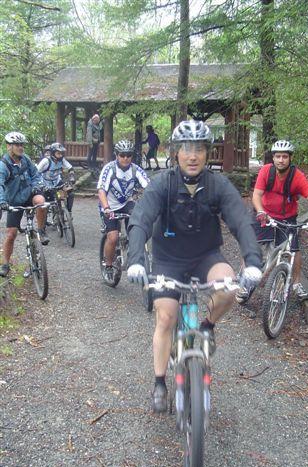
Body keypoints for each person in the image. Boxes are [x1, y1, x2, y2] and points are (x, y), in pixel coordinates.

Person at [127, 120, 263, 413]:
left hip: (205, 256)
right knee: (166, 317)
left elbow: (241, 221)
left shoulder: (218, 185)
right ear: (175, 153)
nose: (193, 155)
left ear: (207, 153)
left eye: (199, 149)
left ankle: (207, 326)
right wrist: (137, 260)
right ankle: (160, 381)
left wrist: (253, 262)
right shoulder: (162, 183)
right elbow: (140, 220)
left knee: (228, 289)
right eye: (186, 149)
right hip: (168, 259)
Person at [252, 140, 308, 300]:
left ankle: (296, 284)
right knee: (253, 245)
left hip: (287, 218)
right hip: (265, 214)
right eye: (278, 156)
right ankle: (245, 279)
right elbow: (257, 195)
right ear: (273, 158)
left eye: (284, 156)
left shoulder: (297, 176)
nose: (281, 160)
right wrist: (260, 211)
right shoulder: (266, 171)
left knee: (294, 249)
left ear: (290, 158)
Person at [97, 140, 150, 283]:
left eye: (128, 155)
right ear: (116, 155)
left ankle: (131, 250)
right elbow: (101, 190)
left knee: (137, 228)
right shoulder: (109, 169)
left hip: (127, 203)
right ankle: (108, 266)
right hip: (110, 206)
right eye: (122, 155)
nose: (125, 158)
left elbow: (149, 188)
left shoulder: (136, 170)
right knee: (113, 237)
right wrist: (106, 208)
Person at [0, 131, 48, 277]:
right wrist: (2, 202)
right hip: (14, 201)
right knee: (11, 234)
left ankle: (40, 230)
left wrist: (38, 185)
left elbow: (36, 175)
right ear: (9, 147)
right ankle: (5, 264)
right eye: (17, 145)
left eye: (22, 145)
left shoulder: (25, 159)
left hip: (29, 194)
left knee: (41, 202)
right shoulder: (4, 165)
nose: (21, 147)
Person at [37, 142, 76, 216]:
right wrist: (39, 184)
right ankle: (43, 222)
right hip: (45, 183)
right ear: (53, 153)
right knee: (47, 202)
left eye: (61, 153)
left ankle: (68, 212)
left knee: (70, 193)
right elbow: (35, 172)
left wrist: (71, 177)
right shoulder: (46, 161)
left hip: (57, 182)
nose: (60, 155)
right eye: (58, 153)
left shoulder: (62, 160)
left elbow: (70, 168)